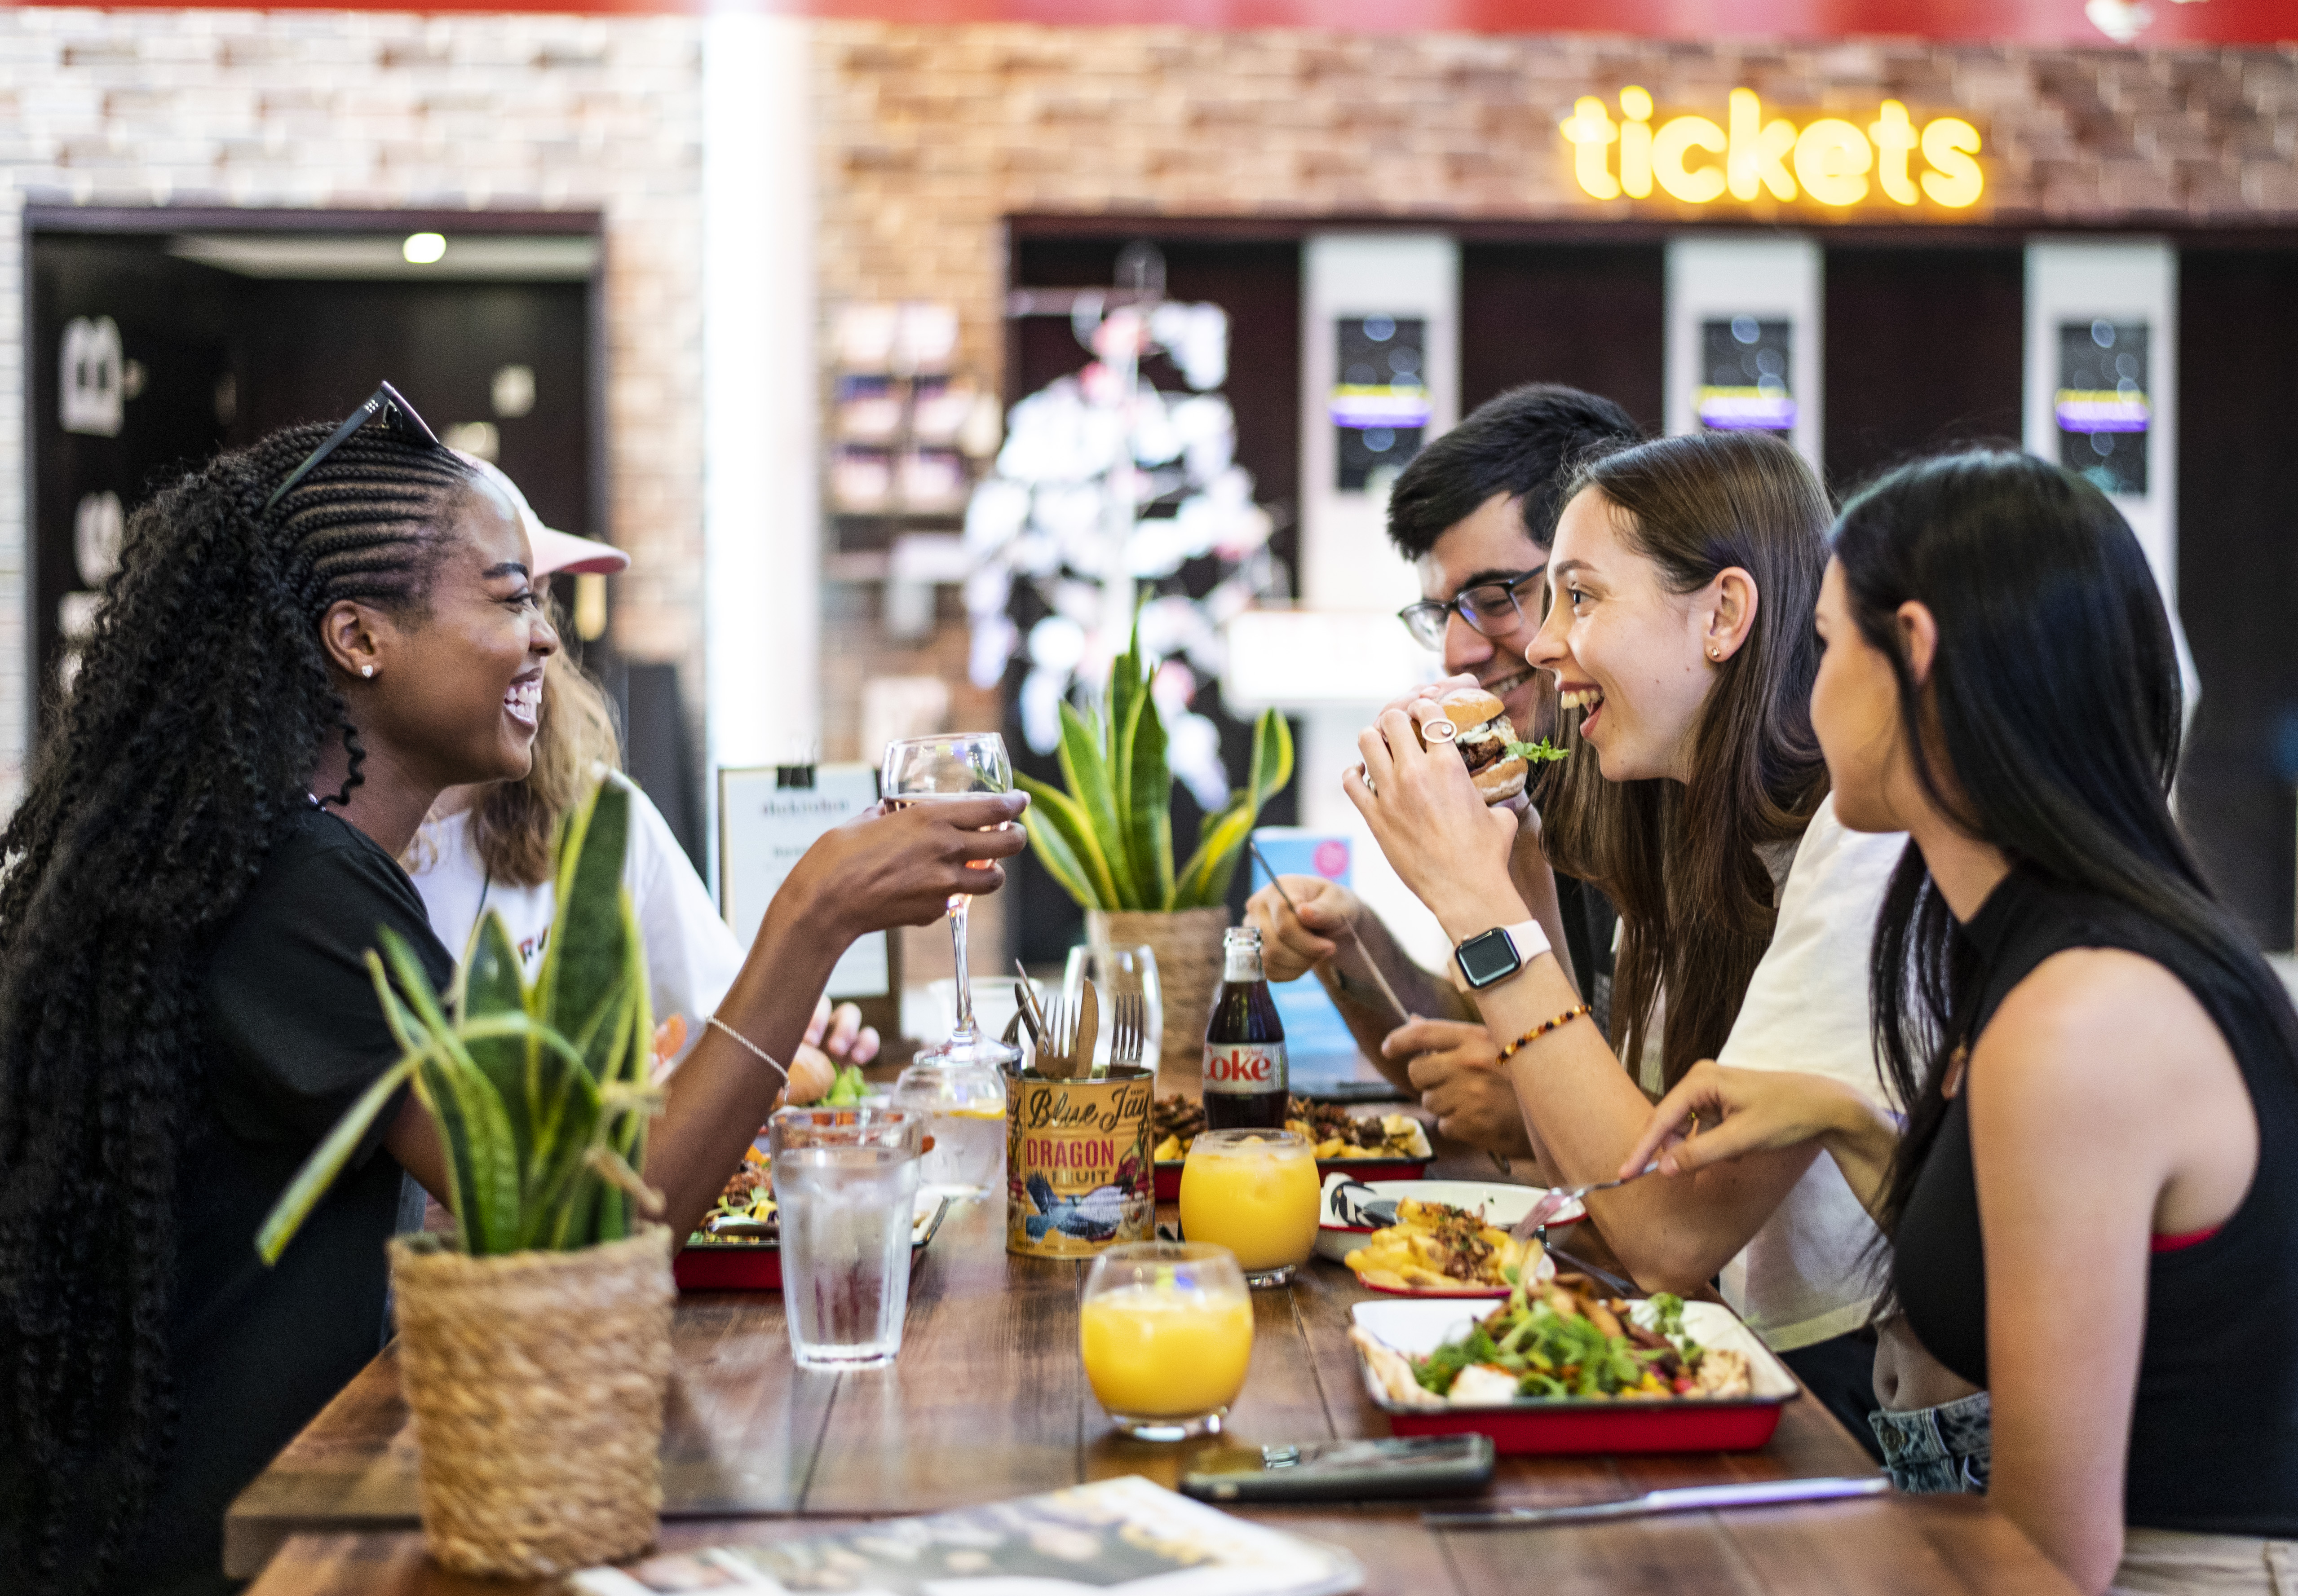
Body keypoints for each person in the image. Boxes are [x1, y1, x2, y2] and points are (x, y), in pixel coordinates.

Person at [0, 393, 1025, 1596]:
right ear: (357, 638)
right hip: (247, 1553)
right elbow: (602, 1217)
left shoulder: (288, 865)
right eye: (508, 596)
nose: (545, 638)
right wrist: (811, 919)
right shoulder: (293, 892)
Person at [1619, 450, 2298, 1595]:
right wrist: (1844, 1119)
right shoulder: (2034, 942)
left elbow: (2045, 1554)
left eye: (1825, 648)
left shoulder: (2080, 1016)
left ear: (1915, 654)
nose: (1801, 691)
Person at [1347, 428, 1907, 1442]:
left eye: (1580, 597)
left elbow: (1664, 1231)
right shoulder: (1683, 830)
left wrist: (1479, 909)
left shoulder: (1856, 843)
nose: (1544, 643)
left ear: (1722, 615)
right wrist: (1507, 854)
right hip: (1744, 1364)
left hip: (1849, 1403)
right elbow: (1597, 1167)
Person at [1245, 384, 1640, 1147]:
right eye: (1441, 613)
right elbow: (1465, 1042)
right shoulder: (1532, 782)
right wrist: (1349, 940)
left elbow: (1689, 1168)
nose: (1458, 650)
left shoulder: (1672, 793)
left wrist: (1535, 1105)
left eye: (1494, 599)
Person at [406, 458, 877, 1090]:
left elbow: (735, 1046)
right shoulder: (336, 850)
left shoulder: (598, 812)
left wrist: (803, 1029)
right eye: (509, 599)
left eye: (541, 598)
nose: (541, 636)